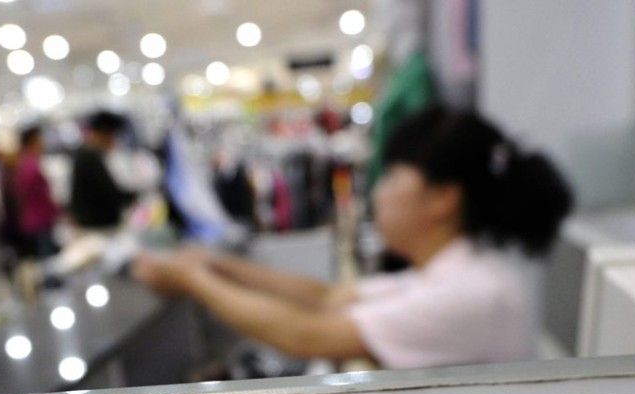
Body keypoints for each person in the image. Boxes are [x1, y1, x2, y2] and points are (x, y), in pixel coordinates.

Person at [133, 106, 573, 369]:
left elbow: (308, 333)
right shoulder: (452, 273)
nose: (377, 193)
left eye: (392, 176)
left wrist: (195, 280)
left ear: (442, 198)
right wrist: (217, 265)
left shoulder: (469, 293)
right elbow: (328, 297)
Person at [69, 110, 134, 229]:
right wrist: (136, 197)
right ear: (104, 133)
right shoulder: (90, 157)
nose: (113, 142)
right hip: (97, 227)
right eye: (112, 136)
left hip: (93, 225)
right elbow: (110, 193)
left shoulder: (86, 154)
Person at [14, 125, 59, 261]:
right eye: (40, 139)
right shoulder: (30, 165)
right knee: (48, 262)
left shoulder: (25, 163)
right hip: (40, 220)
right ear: (32, 141)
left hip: (37, 219)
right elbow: (40, 196)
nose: (43, 142)